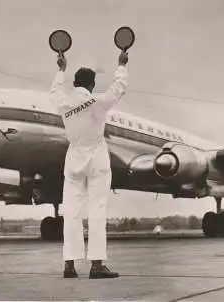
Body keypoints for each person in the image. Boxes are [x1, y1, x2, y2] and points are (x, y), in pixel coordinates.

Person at [49, 51, 129, 279]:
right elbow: (118, 88)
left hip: (74, 156)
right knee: (97, 210)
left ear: (75, 84)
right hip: (96, 157)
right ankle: (96, 265)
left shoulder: (64, 102)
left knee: (71, 212)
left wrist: (60, 69)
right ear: (92, 86)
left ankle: (69, 266)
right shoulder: (96, 101)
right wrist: (121, 65)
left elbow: (54, 91)